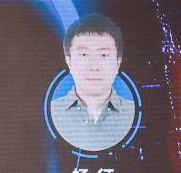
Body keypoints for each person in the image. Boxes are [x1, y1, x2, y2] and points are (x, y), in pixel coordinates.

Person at [49, 13, 135, 153]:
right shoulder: (52, 111)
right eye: (84, 55)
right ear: (69, 62)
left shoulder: (133, 112)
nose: (94, 66)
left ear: (118, 63)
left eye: (103, 55)